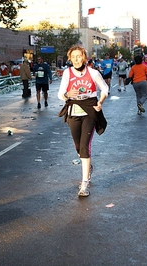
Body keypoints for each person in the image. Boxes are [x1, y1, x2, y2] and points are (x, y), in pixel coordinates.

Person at [57, 45, 108, 197]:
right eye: (73, 57)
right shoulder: (68, 72)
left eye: (79, 56)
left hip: (89, 110)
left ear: (84, 57)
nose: (76, 60)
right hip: (73, 110)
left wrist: (101, 102)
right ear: (70, 59)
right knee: (78, 146)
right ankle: (88, 165)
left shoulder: (93, 73)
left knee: (85, 146)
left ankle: (84, 183)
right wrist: (67, 94)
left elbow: (105, 89)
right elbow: (60, 94)